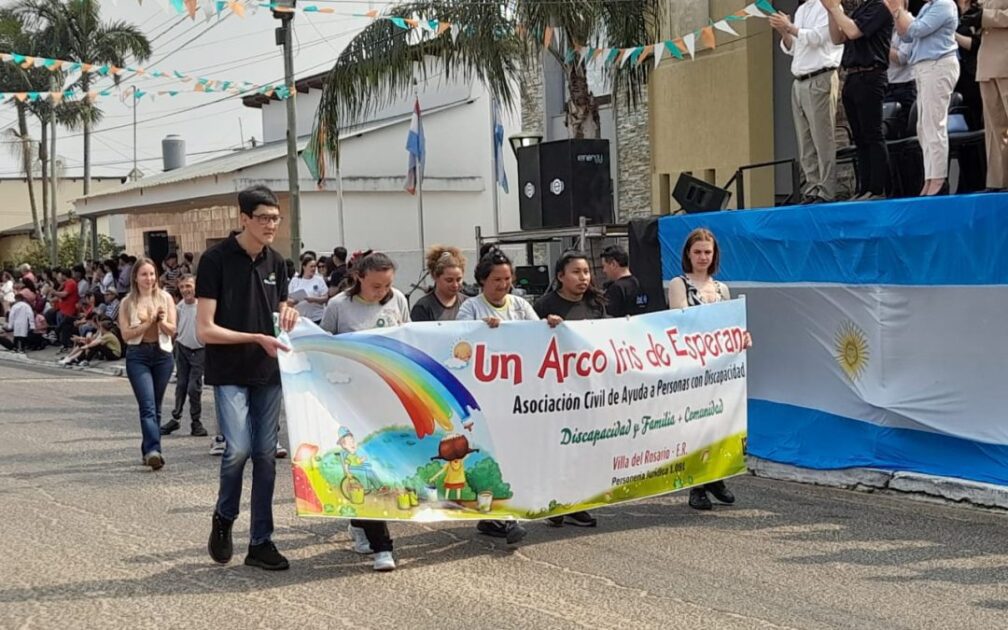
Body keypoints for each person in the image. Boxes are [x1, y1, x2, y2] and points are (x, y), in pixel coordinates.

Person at [196, 185, 298, 572]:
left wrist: (289, 314)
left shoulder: (278, 262)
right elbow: (205, 329)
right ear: (243, 219)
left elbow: (281, 308)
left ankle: (261, 541)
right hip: (229, 370)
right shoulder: (215, 260)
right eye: (263, 218)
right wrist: (254, 337)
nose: (271, 224)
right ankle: (224, 518)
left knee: (265, 457)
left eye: (275, 218)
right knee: (237, 449)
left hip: (268, 371)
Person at [320, 251, 409, 572]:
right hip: (350, 400)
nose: (382, 292)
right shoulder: (338, 307)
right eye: (375, 286)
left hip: (387, 397)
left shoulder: (397, 299)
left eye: (386, 285)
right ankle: (381, 546)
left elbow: (408, 339)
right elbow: (321, 347)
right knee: (365, 466)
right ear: (358, 277)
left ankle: (359, 522)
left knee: (385, 466)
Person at [457, 248, 537, 545]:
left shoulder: (519, 305)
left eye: (507, 279)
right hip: (484, 396)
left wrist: (551, 325)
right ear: (482, 281)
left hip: (515, 392)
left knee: (514, 451)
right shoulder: (471, 309)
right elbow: (459, 342)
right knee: (492, 452)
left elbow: (537, 335)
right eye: (497, 280)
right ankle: (501, 515)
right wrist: (480, 331)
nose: (504, 285)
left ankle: (501, 514)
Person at [668, 229, 751, 511]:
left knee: (719, 422)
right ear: (688, 255)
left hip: (719, 368)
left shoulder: (721, 289)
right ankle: (696, 485)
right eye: (698, 252)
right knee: (696, 425)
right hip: (692, 367)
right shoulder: (680, 284)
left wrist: (741, 336)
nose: (703, 257)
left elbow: (729, 326)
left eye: (707, 252)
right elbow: (682, 319)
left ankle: (716, 476)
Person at [534, 251, 606, 528]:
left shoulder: (595, 304)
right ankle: (554, 501)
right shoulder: (545, 305)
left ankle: (578, 503)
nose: (583, 278)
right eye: (576, 272)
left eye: (586, 272)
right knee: (558, 448)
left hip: (590, 391)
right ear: (560, 276)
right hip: (556, 392)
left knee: (584, 448)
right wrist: (545, 327)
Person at [771, 1, 844, 203]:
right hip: (800, 80)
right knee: (805, 141)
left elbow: (817, 38)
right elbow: (795, 47)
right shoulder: (802, 9)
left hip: (820, 76)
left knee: (823, 138)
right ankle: (812, 187)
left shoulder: (828, 7)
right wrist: (784, 32)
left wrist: (790, 27)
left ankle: (827, 190)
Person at [887, 0, 961, 196]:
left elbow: (917, 30)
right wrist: (897, 15)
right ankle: (930, 176)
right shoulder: (927, 8)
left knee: (934, 123)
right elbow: (907, 36)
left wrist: (898, 10)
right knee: (923, 126)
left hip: (938, 64)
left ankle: (938, 179)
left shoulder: (944, 5)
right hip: (923, 67)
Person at [824, 0, 894, 200]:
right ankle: (863, 187)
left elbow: (854, 31)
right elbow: (838, 38)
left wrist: (836, 8)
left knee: (872, 134)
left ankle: (878, 188)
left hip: (871, 74)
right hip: (853, 76)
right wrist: (831, 12)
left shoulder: (879, 8)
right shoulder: (860, 10)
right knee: (859, 137)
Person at [118, 257, 177, 471]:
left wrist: (160, 321)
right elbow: (126, 334)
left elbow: (172, 330)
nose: (149, 278)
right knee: (147, 405)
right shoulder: (127, 302)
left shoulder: (165, 298)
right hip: (138, 355)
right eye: (144, 274)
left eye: (152, 274)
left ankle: (150, 450)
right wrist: (147, 323)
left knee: (156, 406)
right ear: (135, 276)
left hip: (162, 354)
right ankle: (154, 450)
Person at [962, 0, 1008, 191]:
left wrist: (986, 17)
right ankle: (997, 182)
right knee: (993, 129)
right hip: (987, 61)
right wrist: (972, 15)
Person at [160, 274, 207, 438]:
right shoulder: (178, 307)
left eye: (189, 286)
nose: (186, 290)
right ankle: (176, 417)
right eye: (182, 287)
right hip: (182, 348)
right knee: (181, 385)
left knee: (194, 387)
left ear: (195, 287)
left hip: (200, 349)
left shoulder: (202, 306)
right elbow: (174, 329)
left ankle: (196, 421)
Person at [884, 0, 917, 140]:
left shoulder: (910, 22)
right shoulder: (886, 26)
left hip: (905, 86)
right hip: (887, 85)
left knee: (907, 135)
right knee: (890, 134)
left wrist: (880, 46)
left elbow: (902, 57)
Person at [410, 245, 468, 322]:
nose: (455, 285)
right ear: (435, 276)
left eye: (458, 279)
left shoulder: (469, 304)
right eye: (449, 280)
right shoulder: (423, 307)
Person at [599, 245, 648, 317]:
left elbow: (608, 317)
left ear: (613, 264)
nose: (604, 270)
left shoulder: (616, 289)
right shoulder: (640, 283)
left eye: (604, 266)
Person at [287, 254, 329, 325]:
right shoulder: (295, 280)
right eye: (311, 266)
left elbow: (325, 298)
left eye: (315, 266)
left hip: (317, 318)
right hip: (299, 318)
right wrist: (293, 301)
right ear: (304, 267)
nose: (313, 269)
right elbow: (287, 299)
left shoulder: (319, 279)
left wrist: (314, 299)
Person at [51, 268, 79, 351]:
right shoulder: (66, 283)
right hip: (64, 308)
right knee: (65, 328)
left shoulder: (70, 283)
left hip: (69, 308)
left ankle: (55, 333)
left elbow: (64, 294)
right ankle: (64, 345)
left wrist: (54, 292)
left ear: (64, 275)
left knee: (65, 325)